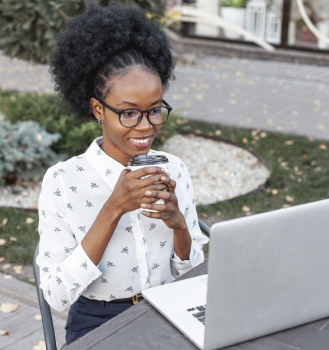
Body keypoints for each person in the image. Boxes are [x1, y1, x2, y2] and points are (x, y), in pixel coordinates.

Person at [37, 1, 208, 345]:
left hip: (169, 309)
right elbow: (56, 296)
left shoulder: (173, 168)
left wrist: (178, 225)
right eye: (129, 113)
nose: (146, 127)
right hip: (98, 320)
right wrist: (114, 207)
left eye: (155, 110)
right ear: (98, 109)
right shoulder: (64, 182)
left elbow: (195, 274)